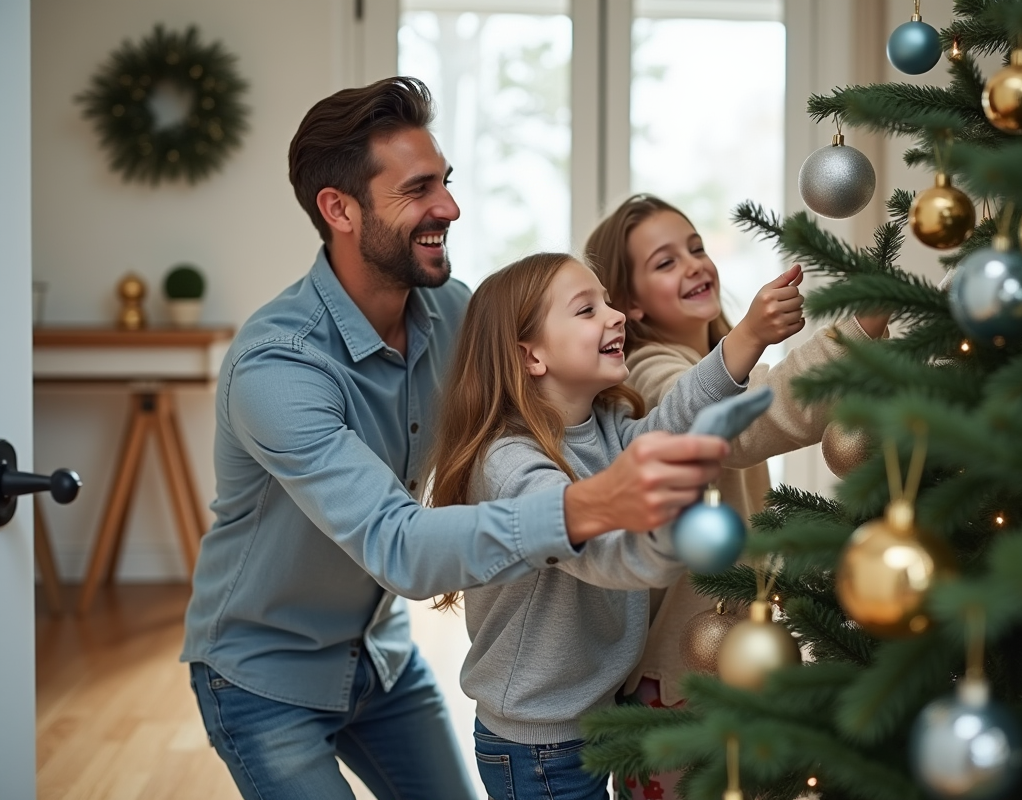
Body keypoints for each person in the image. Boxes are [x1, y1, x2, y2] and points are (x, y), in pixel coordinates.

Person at [180, 79, 729, 800]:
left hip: (378, 655)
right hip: (263, 673)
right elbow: (402, 547)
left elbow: (547, 396)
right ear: (339, 209)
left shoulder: (452, 310)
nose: (449, 207)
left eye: (445, 182)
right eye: (418, 189)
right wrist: (586, 505)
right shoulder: (278, 369)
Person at [425, 250, 804, 800]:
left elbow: (672, 421)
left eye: (608, 301)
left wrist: (749, 336)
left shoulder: (604, 428)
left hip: (595, 715)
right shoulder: (511, 465)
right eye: (587, 310)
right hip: (538, 741)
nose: (615, 315)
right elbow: (607, 553)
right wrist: (688, 529)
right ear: (531, 356)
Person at [585, 194, 889, 800]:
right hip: (677, 674)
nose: (694, 265)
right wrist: (845, 337)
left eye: (696, 247)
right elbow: (734, 426)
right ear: (632, 303)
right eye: (665, 262)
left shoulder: (714, 364)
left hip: (738, 649)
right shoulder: (647, 373)